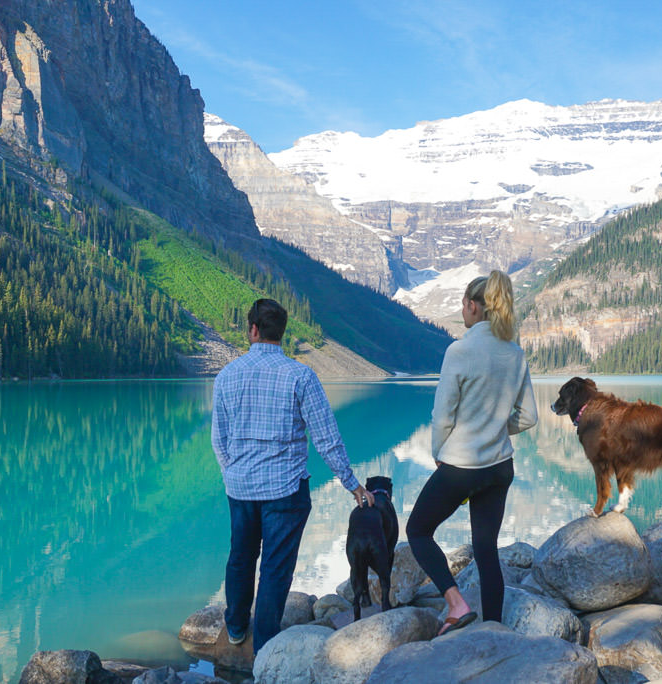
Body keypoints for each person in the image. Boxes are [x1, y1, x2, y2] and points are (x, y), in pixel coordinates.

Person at [211, 298, 374, 652]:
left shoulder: (227, 375)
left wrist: (233, 473)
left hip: (240, 488)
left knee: (240, 556)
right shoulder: (300, 375)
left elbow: (219, 439)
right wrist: (351, 483)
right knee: (274, 567)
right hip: (285, 490)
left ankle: (237, 627)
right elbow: (326, 436)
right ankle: (266, 649)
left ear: (252, 330)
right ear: (281, 334)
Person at [406, 270, 538, 636]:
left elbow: (443, 415)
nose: (462, 311)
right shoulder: (514, 353)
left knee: (418, 529)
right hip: (500, 467)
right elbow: (528, 417)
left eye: (463, 305)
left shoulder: (460, 350)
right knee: (485, 548)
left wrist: (439, 451)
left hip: (462, 466)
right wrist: (497, 427)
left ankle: (456, 603)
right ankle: (492, 631)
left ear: (474, 306)